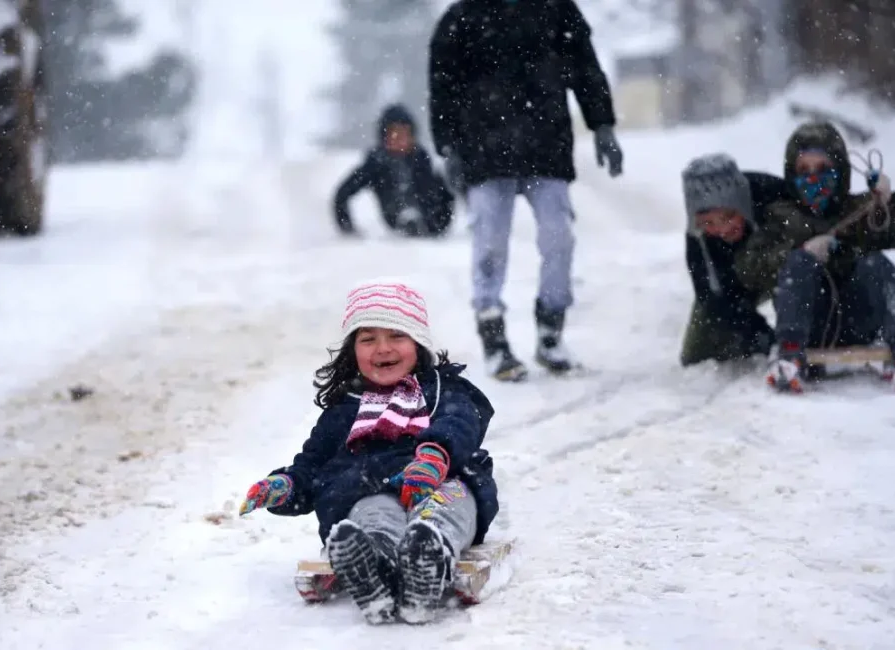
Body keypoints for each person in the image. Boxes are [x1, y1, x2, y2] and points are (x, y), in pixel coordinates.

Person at [238, 281, 499, 625]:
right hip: (370, 489)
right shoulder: (344, 409)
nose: (382, 348)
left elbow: (460, 422)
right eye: (368, 339)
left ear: (418, 343)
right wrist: (285, 485)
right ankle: (373, 567)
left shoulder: (441, 390)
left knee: (444, 509)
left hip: (438, 481)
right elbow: (313, 465)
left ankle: (428, 558)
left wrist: (434, 456)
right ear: (352, 351)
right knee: (373, 515)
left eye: (396, 336)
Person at [429, 0, 624, 382]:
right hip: (483, 149)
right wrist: (448, 145)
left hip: (546, 145)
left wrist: (602, 124)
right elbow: (442, 85)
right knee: (489, 244)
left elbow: (585, 67)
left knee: (559, 239)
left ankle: (551, 330)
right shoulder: (462, 18)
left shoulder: (556, 10)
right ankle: (493, 337)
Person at [732, 121, 895, 393]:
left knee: (876, 263)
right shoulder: (780, 216)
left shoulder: (861, 210)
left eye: (823, 170)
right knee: (798, 263)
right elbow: (748, 269)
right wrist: (799, 254)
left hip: (859, 319)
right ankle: (789, 357)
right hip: (809, 325)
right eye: (803, 171)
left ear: (840, 171)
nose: (813, 179)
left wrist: (890, 204)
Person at [679, 154, 790, 367]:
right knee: (696, 356)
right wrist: (759, 334)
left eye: (729, 217)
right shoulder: (698, 239)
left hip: (782, 268)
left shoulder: (774, 195)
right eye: (708, 223)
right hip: (735, 283)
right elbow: (711, 297)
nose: (722, 229)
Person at [332, 104, 455, 238]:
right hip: (395, 217)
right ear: (384, 137)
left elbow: (445, 195)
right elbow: (342, 194)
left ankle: (415, 219)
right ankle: (407, 217)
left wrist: (440, 224)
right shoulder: (376, 163)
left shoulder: (422, 159)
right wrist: (347, 229)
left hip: (430, 223)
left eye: (404, 134)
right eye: (394, 134)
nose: (400, 139)